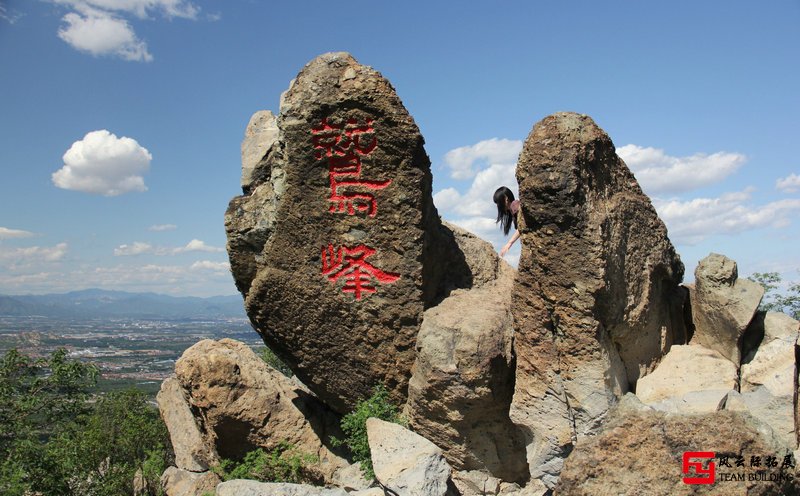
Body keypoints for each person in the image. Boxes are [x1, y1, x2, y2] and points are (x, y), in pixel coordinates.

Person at [493, 186, 520, 257]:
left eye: (498, 203)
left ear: (506, 199)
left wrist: (509, 243)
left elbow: (521, 228)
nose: (498, 206)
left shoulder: (515, 205)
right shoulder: (512, 209)